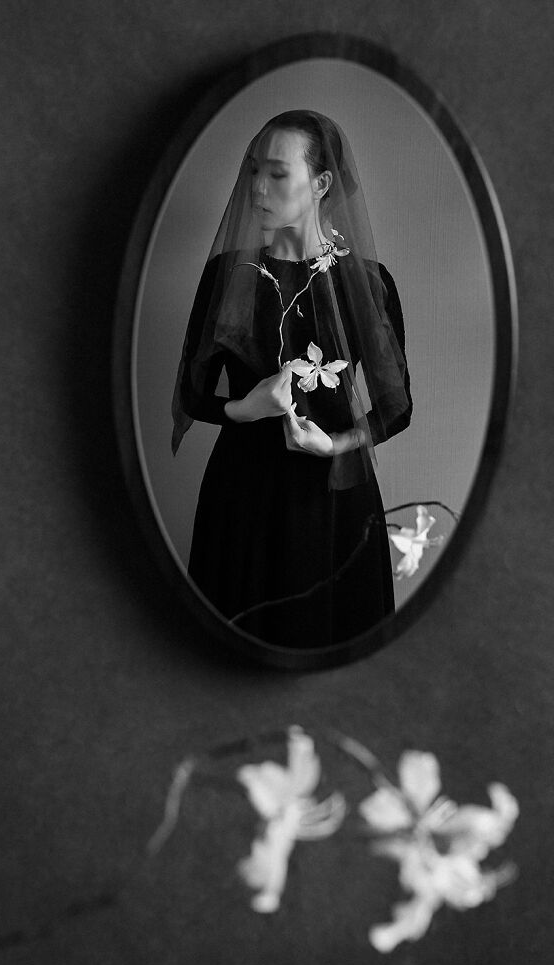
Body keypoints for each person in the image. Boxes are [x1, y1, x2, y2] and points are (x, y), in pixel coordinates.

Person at [172, 110, 412, 648]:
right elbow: (191, 392)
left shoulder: (369, 285)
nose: (257, 188)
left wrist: (335, 443)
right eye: (254, 170)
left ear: (321, 183)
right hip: (242, 500)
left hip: (331, 507)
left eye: (276, 174)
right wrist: (244, 408)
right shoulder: (226, 276)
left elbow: (396, 407)